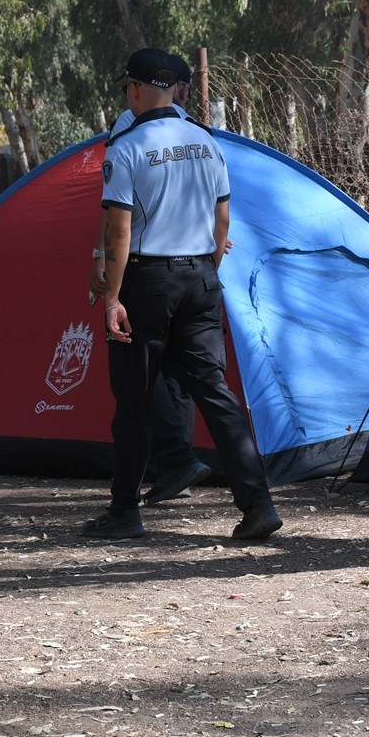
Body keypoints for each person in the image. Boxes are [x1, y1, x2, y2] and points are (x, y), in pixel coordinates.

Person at [84, 48, 282, 541]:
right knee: (215, 392)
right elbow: (222, 220)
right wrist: (207, 271)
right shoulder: (206, 141)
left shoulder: (126, 146)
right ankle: (257, 503)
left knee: (133, 400)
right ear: (176, 90)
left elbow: (120, 231)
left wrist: (112, 296)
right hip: (200, 276)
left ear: (134, 90)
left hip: (148, 280)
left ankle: (124, 511)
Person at [91, 51, 212, 506]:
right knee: (173, 373)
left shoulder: (187, 129)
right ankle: (174, 461)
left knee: (152, 377)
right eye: (180, 84)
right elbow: (113, 207)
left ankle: (172, 462)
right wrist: (99, 255)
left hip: (159, 271)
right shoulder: (132, 127)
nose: (182, 92)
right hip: (188, 268)